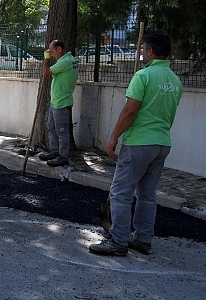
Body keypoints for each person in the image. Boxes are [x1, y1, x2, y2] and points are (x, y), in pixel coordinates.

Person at [89, 30, 183, 256]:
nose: (141, 53)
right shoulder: (175, 80)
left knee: (121, 191)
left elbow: (130, 110)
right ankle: (142, 239)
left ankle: (118, 240)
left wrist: (113, 138)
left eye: (142, 49)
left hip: (139, 142)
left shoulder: (143, 76)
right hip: (161, 143)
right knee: (147, 194)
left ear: (150, 51)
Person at [40, 40, 78, 167]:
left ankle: (63, 156)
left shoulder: (65, 62)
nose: (51, 54)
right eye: (49, 53)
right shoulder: (69, 59)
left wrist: (46, 60)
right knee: (51, 127)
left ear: (59, 49)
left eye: (52, 51)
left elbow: (45, 73)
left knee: (62, 131)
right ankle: (55, 151)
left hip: (62, 103)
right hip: (56, 101)